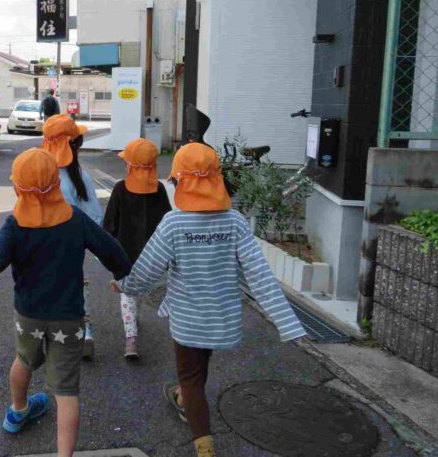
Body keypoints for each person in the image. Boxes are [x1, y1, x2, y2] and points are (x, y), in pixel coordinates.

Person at [111, 143, 306, 457]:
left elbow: (146, 271)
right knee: (198, 368)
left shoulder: (174, 225)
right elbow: (260, 276)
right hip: (222, 321)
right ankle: (181, 396)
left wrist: (124, 285)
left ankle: (204, 447)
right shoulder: (235, 222)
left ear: (180, 182)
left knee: (190, 378)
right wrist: (289, 324)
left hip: (188, 321)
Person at [0, 148, 130, 457]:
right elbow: (111, 251)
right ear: (55, 182)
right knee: (66, 391)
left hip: (29, 316)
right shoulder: (74, 219)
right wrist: (124, 275)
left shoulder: (15, 223)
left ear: (17, 187)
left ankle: (18, 410)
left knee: (24, 360)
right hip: (69, 317)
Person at [102, 138, 171, 360]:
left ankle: (131, 339)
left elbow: (109, 225)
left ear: (130, 166)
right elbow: (167, 222)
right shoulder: (158, 189)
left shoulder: (121, 189)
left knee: (128, 293)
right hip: (152, 257)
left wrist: (106, 252)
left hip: (124, 255)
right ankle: (132, 323)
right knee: (135, 291)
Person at [42, 114, 102, 358]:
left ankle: (45, 333)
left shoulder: (39, 173)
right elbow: (94, 217)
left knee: (45, 285)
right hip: (72, 244)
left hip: (40, 244)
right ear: (75, 145)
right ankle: (85, 331)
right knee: (77, 284)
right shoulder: (81, 178)